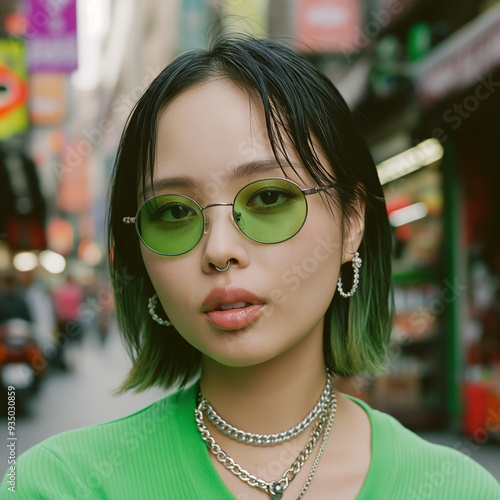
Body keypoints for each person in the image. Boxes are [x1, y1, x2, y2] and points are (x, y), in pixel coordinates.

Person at [2, 35, 499, 500]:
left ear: (352, 223)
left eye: (266, 198)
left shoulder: (456, 489)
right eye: (174, 212)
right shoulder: (60, 486)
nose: (219, 249)